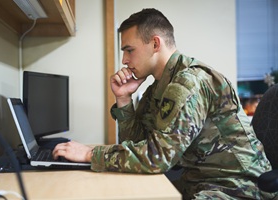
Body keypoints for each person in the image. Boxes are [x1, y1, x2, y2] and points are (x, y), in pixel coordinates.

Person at [53, 8, 277, 199]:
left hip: (238, 187)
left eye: (129, 50)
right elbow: (137, 143)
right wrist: (123, 99)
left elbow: (156, 158)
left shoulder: (188, 83)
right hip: (200, 181)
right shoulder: (159, 87)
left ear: (155, 43)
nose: (124, 60)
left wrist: (90, 154)